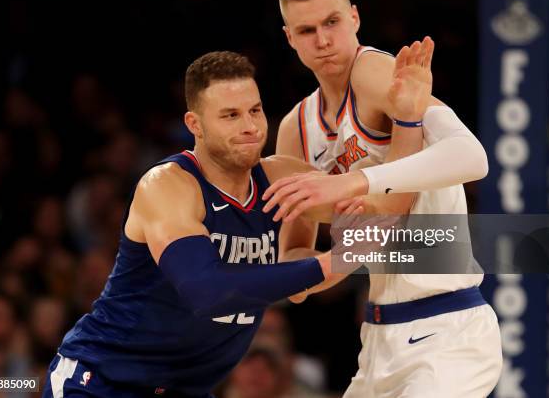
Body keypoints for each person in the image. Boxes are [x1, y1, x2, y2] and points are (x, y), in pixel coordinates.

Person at [42, 51, 343, 398]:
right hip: (103, 382)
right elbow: (209, 292)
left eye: (255, 111)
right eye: (231, 115)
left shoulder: (281, 178)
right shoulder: (167, 186)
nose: (249, 126)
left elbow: (385, 215)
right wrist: (330, 263)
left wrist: (409, 122)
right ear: (194, 124)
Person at [266, 0, 502, 397]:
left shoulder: (373, 73)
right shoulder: (295, 127)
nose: (322, 40)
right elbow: (294, 275)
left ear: (354, 17)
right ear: (289, 38)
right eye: (306, 30)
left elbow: (473, 157)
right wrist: (349, 251)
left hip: (447, 330)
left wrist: (352, 184)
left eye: (332, 22)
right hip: (377, 339)